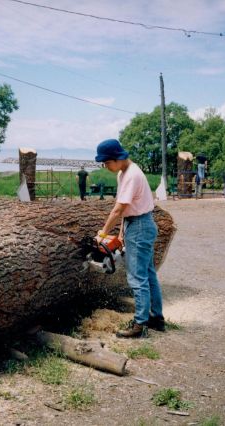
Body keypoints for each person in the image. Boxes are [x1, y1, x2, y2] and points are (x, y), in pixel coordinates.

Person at [94, 139, 164, 338]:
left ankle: (140, 325)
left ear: (117, 158)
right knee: (148, 274)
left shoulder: (132, 175)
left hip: (140, 225)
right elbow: (126, 207)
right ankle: (156, 318)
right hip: (136, 224)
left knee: (137, 277)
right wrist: (122, 233)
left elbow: (118, 208)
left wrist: (103, 234)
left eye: (107, 163)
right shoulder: (123, 173)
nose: (105, 167)